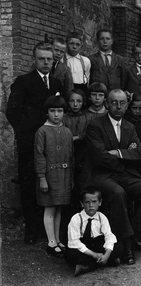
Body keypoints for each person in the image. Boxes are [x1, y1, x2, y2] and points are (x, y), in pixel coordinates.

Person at [80, 89, 141, 265]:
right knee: (118, 193)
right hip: (101, 175)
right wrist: (125, 156)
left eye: (122, 103)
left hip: (124, 175)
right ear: (107, 104)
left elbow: (140, 152)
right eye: (114, 102)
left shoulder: (129, 127)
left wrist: (118, 153)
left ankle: (136, 232)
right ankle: (126, 243)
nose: (118, 106)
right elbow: (99, 157)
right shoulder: (95, 125)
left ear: (127, 105)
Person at [6, 42, 64, 244]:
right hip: (30, 141)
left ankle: (46, 228)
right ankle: (32, 229)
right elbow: (12, 112)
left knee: (48, 183)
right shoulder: (23, 82)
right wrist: (26, 133)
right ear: (35, 59)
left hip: (52, 144)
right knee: (30, 182)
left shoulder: (57, 84)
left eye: (49, 59)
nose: (46, 62)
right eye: (42, 58)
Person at [34, 95, 74, 258]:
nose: (56, 115)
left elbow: (71, 156)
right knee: (50, 208)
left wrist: (70, 178)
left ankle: (57, 239)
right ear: (47, 113)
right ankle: (51, 242)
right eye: (52, 111)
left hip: (64, 175)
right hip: (49, 175)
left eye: (59, 111)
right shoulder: (42, 131)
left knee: (59, 208)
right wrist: (42, 177)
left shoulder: (67, 131)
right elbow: (39, 155)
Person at [65, 187, 123, 276]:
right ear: (82, 204)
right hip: (84, 247)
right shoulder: (76, 218)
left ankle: (88, 266)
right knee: (70, 254)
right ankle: (109, 262)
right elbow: (74, 242)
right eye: (87, 202)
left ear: (100, 202)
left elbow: (109, 236)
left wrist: (107, 254)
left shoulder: (101, 217)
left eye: (94, 201)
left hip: (97, 244)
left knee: (118, 246)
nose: (91, 205)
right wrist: (94, 255)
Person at [63, 89, 95, 210]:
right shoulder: (64, 118)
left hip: (84, 154)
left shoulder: (89, 117)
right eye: (72, 101)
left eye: (79, 101)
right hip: (67, 154)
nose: (75, 104)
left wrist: (78, 137)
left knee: (83, 183)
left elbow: (92, 133)